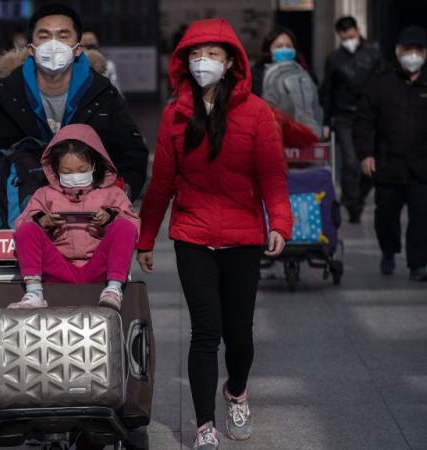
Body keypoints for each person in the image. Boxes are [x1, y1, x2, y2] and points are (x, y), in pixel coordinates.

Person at [136, 18, 292, 449]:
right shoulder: (174, 115)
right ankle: (204, 424)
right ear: (184, 61)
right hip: (193, 236)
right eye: (195, 54)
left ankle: (236, 391)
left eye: (213, 54)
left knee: (239, 334)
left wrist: (280, 222)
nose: (203, 62)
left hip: (243, 237)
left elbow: (272, 176)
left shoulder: (257, 113)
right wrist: (146, 237)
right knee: (205, 331)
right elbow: (162, 182)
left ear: (231, 62)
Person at [0, 3, 148, 212]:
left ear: (78, 49)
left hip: (89, 220)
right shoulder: (4, 96)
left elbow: (132, 153)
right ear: (31, 48)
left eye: (63, 35)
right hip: (18, 217)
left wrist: (117, 198)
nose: (54, 44)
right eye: (44, 36)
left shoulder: (102, 95)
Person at [353, 25, 427, 282]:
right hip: (388, 162)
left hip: (423, 163)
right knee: (385, 217)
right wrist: (366, 153)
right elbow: (364, 120)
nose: (413, 55)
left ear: (425, 53)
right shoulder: (380, 82)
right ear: (398, 51)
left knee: (423, 219)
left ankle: (418, 265)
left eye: (418, 50)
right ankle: (388, 251)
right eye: (408, 49)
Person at [9, 124, 139, 311]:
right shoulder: (44, 194)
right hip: (59, 266)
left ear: (94, 165)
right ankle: (34, 292)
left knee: (125, 226)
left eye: (81, 169)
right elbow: (22, 224)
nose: (74, 176)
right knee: (27, 229)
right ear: (55, 169)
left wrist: (109, 219)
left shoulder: (113, 194)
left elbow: (133, 227)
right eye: (67, 172)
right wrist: (43, 221)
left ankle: (113, 290)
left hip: (98, 265)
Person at [320, 16, 384, 223]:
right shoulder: (334, 58)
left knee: (372, 163)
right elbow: (328, 90)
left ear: (357, 30)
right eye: (343, 34)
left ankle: (357, 198)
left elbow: (384, 82)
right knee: (350, 162)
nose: (348, 37)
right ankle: (351, 202)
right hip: (344, 115)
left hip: (371, 115)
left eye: (351, 32)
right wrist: (326, 121)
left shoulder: (373, 53)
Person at [251, 26, 322, 137]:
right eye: (279, 46)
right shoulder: (257, 75)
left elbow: (316, 105)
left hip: (304, 135)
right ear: (269, 50)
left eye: (288, 46)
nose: (285, 49)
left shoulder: (306, 74)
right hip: (271, 134)